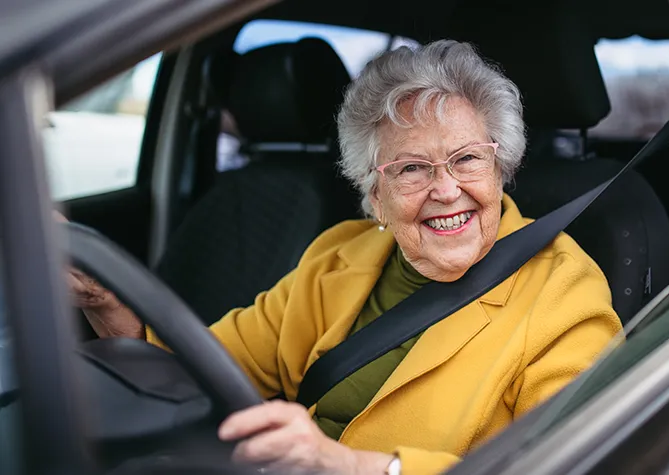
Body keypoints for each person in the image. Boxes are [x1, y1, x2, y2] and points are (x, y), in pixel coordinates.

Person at [65, 39, 623, 475]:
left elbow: (578, 459)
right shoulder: (340, 254)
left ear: (501, 167)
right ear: (373, 193)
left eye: (467, 159)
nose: (447, 189)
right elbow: (205, 367)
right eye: (411, 168)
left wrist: (347, 465)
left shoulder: (563, 295)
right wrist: (104, 298)